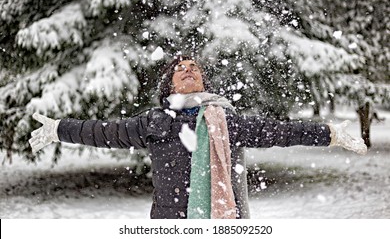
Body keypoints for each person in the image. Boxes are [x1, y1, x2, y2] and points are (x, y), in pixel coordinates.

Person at [29, 55, 367, 219]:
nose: (187, 70)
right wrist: (59, 129)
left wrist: (330, 134)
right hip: (168, 222)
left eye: (194, 67)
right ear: (170, 86)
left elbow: (278, 131)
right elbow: (105, 132)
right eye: (179, 69)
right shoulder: (156, 121)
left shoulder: (226, 121)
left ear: (203, 82)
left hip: (221, 220)